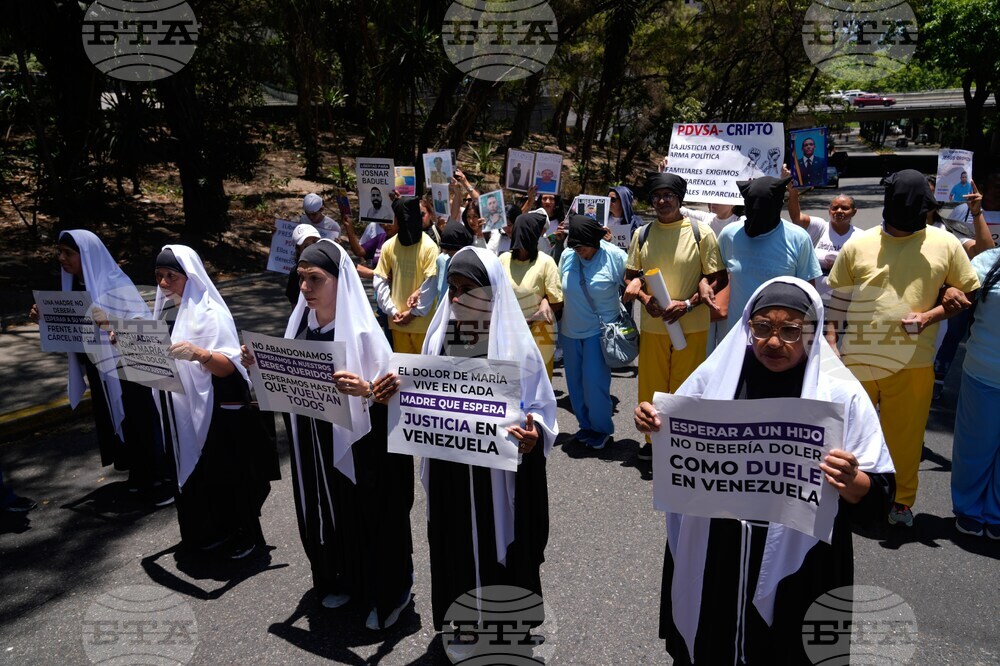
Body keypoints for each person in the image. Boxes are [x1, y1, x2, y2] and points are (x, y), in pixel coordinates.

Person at [634, 277, 895, 665]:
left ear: (812, 332)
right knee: (711, 644)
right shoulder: (718, 377)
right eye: (762, 328)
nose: (774, 342)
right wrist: (653, 423)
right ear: (747, 327)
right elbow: (679, 438)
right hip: (718, 550)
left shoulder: (840, 395)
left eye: (791, 330)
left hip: (801, 563)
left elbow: (878, 494)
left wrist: (852, 482)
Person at [241, 240, 413, 627]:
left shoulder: (364, 333)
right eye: (301, 278)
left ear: (340, 282)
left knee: (372, 516)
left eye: (315, 279)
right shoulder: (301, 324)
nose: (305, 288)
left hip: (364, 449)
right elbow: (284, 387)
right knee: (332, 514)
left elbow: (393, 398)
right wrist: (258, 365)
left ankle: (391, 592)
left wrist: (366, 389)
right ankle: (345, 578)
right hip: (316, 446)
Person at [420, 247, 557, 656]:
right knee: (455, 541)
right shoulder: (439, 337)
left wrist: (533, 433)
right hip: (451, 468)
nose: (458, 298)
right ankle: (461, 625)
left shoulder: (517, 345)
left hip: (498, 473)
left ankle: (504, 627)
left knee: (501, 544)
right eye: (453, 288)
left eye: (469, 289)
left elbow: (541, 410)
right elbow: (419, 397)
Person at [827, 169, 981, 527]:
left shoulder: (945, 245)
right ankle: (845, 493)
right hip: (855, 360)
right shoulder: (858, 245)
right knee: (848, 434)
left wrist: (933, 314)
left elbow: (967, 293)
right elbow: (838, 301)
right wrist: (831, 342)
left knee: (905, 439)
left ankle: (900, 501)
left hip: (913, 363)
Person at [153, 245, 278, 558]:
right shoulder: (166, 313)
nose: (164, 284)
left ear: (189, 277)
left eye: (171, 276)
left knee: (228, 473)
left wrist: (199, 354)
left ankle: (245, 535)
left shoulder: (211, 312)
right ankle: (207, 531)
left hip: (218, 408)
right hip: (182, 406)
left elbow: (230, 366)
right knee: (201, 474)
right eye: (159, 277)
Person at [29, 230, 165, 500]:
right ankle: (139, 474)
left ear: (86, 255)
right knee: (120, 423)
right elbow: (75, 329)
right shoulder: (75, 288)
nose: (61, 259)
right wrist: (44, 319)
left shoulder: (116, 284)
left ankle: (160, 480)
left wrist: (112, 324)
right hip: (100, 366)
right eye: (59, 252)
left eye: (68, 253)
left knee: (139, 420)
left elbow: (145, 329)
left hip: (129, 370)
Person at [624, 173, 728, 460]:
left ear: (679, 198)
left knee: (686, 386)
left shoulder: (700, 232)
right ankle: (652, 443)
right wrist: (645, 299)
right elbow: (631, 276)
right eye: (657, 196)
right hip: (655, 326)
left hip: (691, 325)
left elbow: (717, 277)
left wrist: (688, 304)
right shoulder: (642, 234)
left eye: (668, 195)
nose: (662, 201)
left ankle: (683, 443)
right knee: (652, 385)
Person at [717, 176, 822, 337]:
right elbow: (717, 277)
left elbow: (808, 292)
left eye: (764, 210)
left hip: (779, 339)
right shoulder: (729, 235)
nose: (757, 214)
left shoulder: (798, 239)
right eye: (752, 208)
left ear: (778, 206)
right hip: (738, 337)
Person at [559, 215, 627, 448]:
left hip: (599, 333)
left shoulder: (614, 257)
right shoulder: (568, 256)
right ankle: (585, 425)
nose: (579, 251)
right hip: (569, 331)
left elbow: (632, 283)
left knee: (594, 383)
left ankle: (601, 429)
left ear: (595, 242)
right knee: (575, 384)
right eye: (575, 246)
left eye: (583, 247)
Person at [951, 243, 1000, 539]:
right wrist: (951, 292)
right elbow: (960, 292)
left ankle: (996, 512)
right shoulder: (990, 261)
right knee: (974, 447)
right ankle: (969, 509)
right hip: (983, 373)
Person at [373, 196, 440, 353]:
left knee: (424, 372)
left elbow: (431, 283)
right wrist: (392, 310)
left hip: (423, 324)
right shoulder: (388, 246)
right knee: (402, 372)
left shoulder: (430, 247)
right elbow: (380, 280)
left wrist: (414, 313)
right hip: (397, 323)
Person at [502, 212, 564, 378]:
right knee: (511, 386)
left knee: (537, 386)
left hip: (539, 333)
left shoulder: (546, 262)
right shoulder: (503, 260)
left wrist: (543, 305)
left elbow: (557, 302)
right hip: (510, 333)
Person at [786, 188, 860, 306]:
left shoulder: (861, 236)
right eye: (834, 208)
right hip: (814, 300)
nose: (839, 211)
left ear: (854, 212)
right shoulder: (820, 227)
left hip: (844, 302)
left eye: (845, 208)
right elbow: (796, 217)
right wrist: (793, 192)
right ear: (829, 211)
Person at [285, 224, 321, 305]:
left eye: (314, 242)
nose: (312, 248)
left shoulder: (330, 266)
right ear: (298, 249)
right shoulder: (295, 273)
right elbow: (294, 305)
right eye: (306, 246)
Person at [605, 186, 644, 253]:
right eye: (607, 199)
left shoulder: (636, 223)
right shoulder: (602, 219)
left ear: (623, 201)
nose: (609, 202)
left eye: (613, 199)